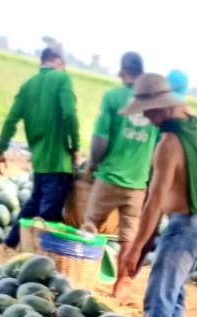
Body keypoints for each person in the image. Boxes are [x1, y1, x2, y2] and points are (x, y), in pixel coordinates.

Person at [113, 73, 197, 317]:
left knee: (159, 302)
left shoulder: (168, 144)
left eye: (148, 111)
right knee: (175, 295)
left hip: (183, 228)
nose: (146, 117)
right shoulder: (193, 121)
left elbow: (154, 201)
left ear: (161, 106)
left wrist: (135, 248)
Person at [0, 46, 80, 249]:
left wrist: (1, 149)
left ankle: (11, 242)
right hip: (58, 160)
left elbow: (10, 120)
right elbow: (69, 114)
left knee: (34, 203)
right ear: (59, 62)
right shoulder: (62, 80)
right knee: (49, 211)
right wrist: (75, 146)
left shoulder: (28, 85)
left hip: (39, 159)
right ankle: (38, 252)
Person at [83, 52, 159, 248]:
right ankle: (122, 278)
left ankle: (84, 269)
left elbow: (101, 139)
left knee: (90, 225)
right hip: (137, 184)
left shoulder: (113, 97)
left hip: (109, 177)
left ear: (124, 71)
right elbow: (159, 148)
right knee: (127, 237)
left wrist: (92, 165)